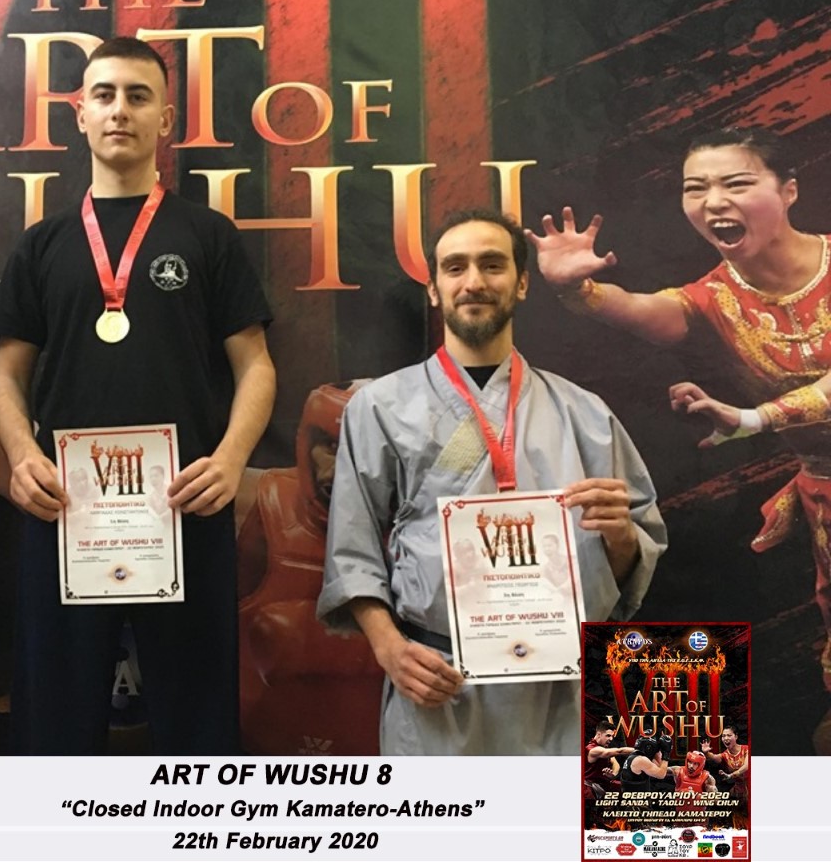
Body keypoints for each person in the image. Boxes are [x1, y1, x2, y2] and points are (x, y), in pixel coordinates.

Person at [0, 36, 275, 755]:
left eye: (138, 96)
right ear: (80, 114)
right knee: (53, 727)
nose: (120, 110)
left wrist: (230, 461)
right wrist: (21, 458)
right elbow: (6, 376)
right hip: (65, 509)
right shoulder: (41, 245)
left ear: (166, 119)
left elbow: (257, 366)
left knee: (198, 723)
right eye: (105, 95)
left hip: (184, 505)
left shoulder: (207, 235)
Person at [317, 208, 667, 755]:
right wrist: (390, 650)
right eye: (455, 267)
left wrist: (620, 535)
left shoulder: (584, 412)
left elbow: (631, 562)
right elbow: (352, 552)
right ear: (433, 289)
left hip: (560, 688)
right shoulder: (379, 407)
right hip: (438, 683)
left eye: (493, 265)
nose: (474, 282)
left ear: (522, 283)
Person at [531, 127, 831, 727]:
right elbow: (645, 311)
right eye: (696, 189)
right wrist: (578, 291)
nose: (714, 201)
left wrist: (750, 419)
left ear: (789, 190)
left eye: (736, 183)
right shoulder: (711, 298)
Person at [585, 721, 634, 795]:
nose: (611, 739)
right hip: (590, 789)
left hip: (604, 785)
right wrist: (640, 750)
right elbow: (619, 751)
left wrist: (612, 774)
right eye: (608, 735)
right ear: (599, 735)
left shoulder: (604, 748)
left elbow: (615, 763)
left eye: (612, 736)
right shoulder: (593, 750)